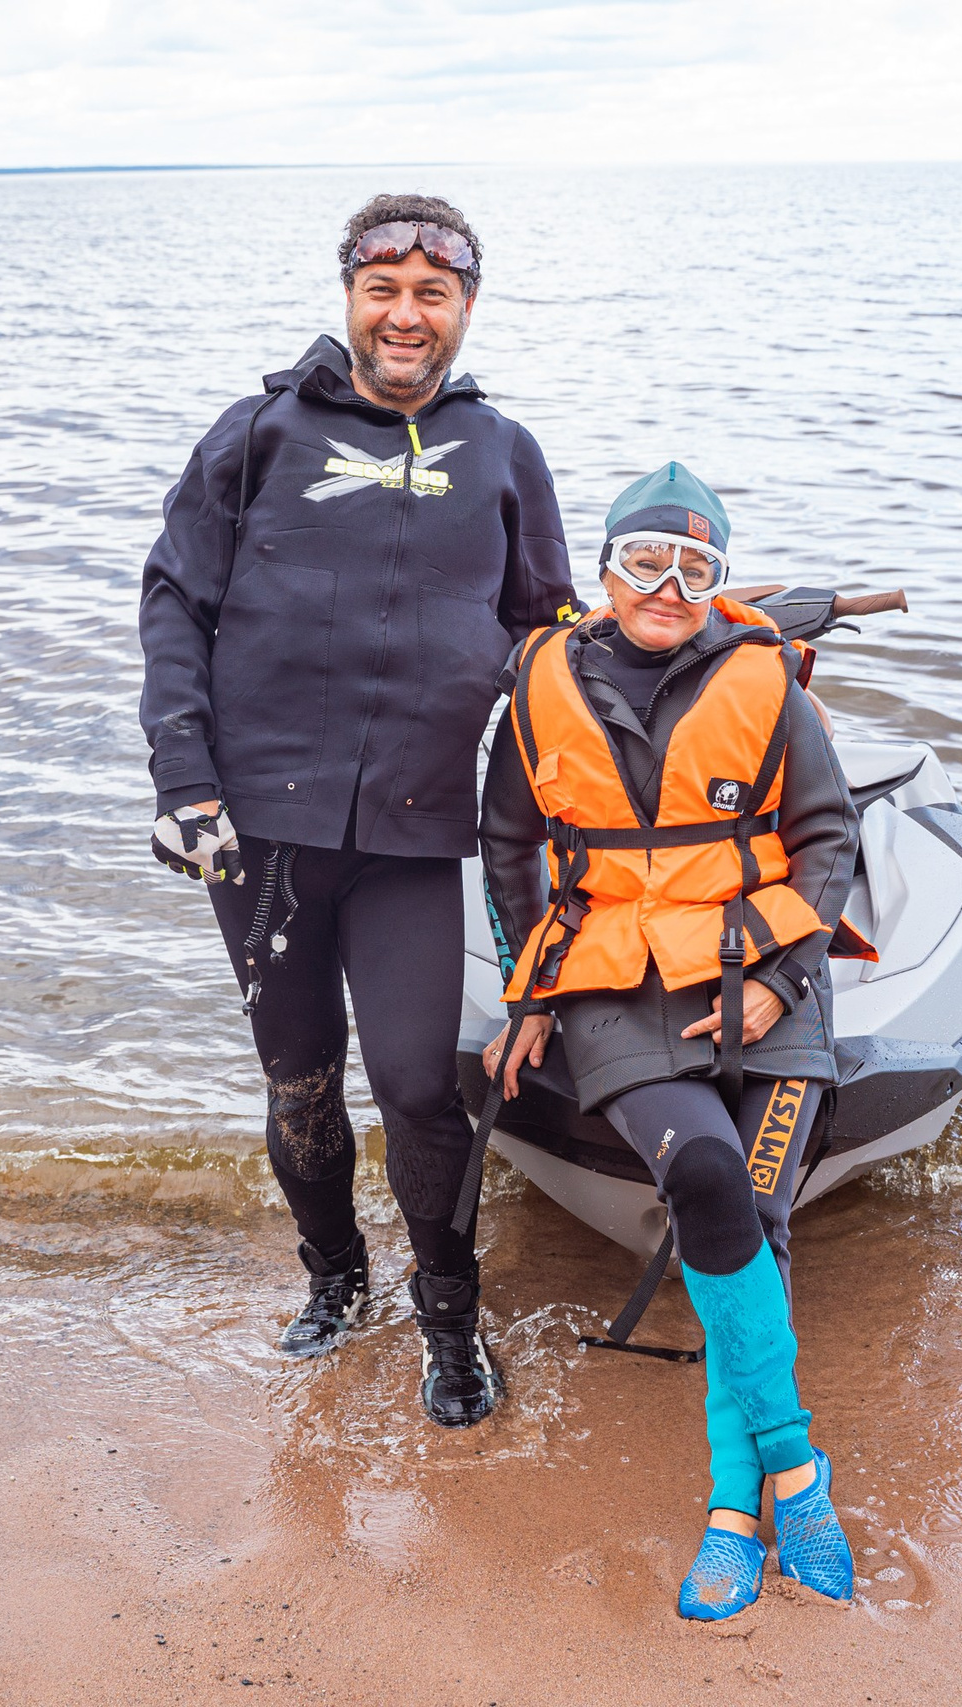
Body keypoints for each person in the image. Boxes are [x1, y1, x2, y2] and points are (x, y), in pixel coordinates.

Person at [137, 194, 574, 1429]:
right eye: (384, 290)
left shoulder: (501, 453)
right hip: (259, 835)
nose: (405, 313)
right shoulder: (259, 431)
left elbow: (546, 632)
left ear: (463, 310)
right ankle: (335, 1278)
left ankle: (451, 1321)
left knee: (418, 1090)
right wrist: (183, 779)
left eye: (432, 294)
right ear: (349, 296)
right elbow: (174, 600)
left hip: (413, 831)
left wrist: (685, 644)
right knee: (301, 1086)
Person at [478, 463, 860, 1618]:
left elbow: (830, 833)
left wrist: (781, 977)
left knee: (758, 1210)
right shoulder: (542, 685)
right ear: (604, 569)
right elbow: (506, 847)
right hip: (611, 987)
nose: (669, 585)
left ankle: (735, 1514)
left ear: (718, 584)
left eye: (698, 569)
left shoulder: (767, 685)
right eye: (647, 561)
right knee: (706, 1175)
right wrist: (523, 988)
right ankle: (796, 1467)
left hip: (763, 983)